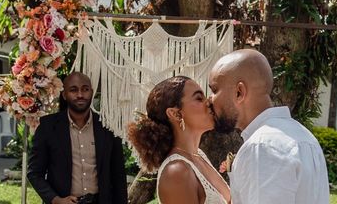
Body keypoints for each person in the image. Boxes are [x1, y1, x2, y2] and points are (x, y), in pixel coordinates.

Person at [209, 49, 329, 204]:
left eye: (214, 90)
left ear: (239, 92)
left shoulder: (262, 146)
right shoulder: (304, 135)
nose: (210, 99)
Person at [28, 72, 128, 204]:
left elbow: (118, 175)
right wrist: (56, 200)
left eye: (85, 89)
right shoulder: (48, 127)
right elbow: (34, 173)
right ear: (64, 94)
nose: (80, 95)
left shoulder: (107, 127)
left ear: (91, 92)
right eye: (73, 90)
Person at [127, 76, 230, 204]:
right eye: (199, 98)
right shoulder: (176, 172)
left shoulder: (199, 156)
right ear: (175, 114)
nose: (209, 102)